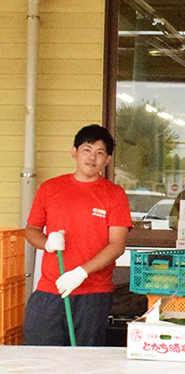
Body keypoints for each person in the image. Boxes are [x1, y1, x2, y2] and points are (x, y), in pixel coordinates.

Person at [24, 124, 132, 346]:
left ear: (108, 159)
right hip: (50, 289)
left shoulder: (114, 195)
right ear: (74, 152)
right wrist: (47, 243)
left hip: (93, 293)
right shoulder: (50, 189)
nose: (92, 157)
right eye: (86, 149)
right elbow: (31, 230)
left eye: (100, 152)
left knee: (85, 363)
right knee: (42, 357)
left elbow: (116, 246)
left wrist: (81, 273)